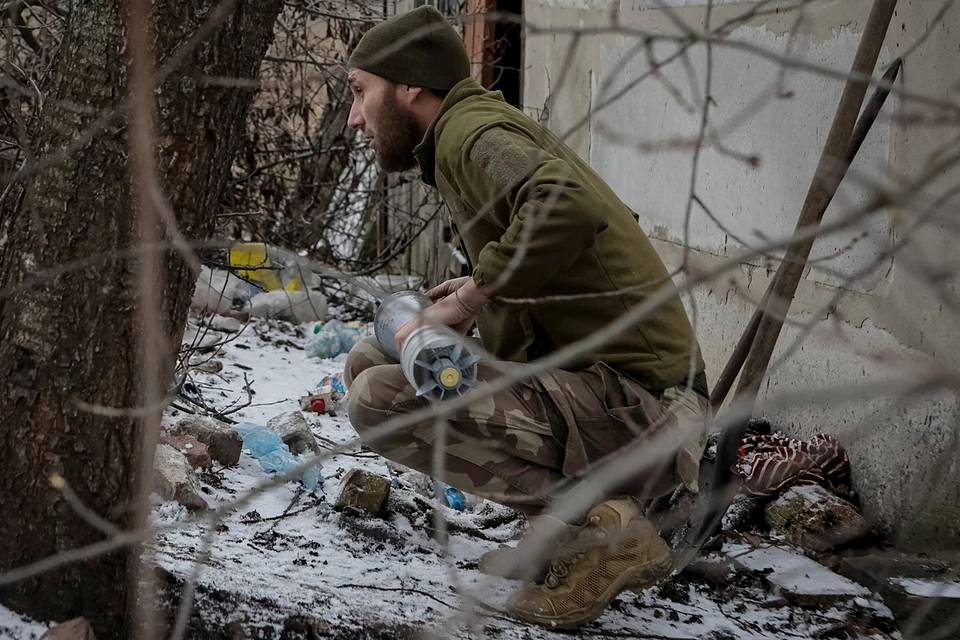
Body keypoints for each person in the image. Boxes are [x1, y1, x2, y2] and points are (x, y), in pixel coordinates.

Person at [341, 5, 710, 630]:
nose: (354, 117)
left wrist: (471, 297)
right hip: (611, 396)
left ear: (409, 87)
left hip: (651, 409)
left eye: (359, 93)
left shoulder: (467, 132)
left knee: (381, 399)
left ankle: (607, 533)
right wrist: (477, 294)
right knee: (373, 359)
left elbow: (564, 204)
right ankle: (572, 531)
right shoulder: (465, 130)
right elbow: (547, 247)